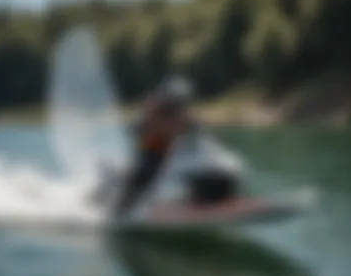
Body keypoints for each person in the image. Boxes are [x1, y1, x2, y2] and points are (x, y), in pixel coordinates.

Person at [97, 76, 242, 220]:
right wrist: (150, 126)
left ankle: (200, 200)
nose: (179, 106)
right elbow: (135, 129)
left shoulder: (181, 117)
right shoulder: (153, 113)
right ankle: (117, 215)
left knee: (205, 170)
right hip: (151, 157)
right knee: (139, 182)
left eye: (180, 103)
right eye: (176, 102)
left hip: (170, 157)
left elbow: (198, 132)